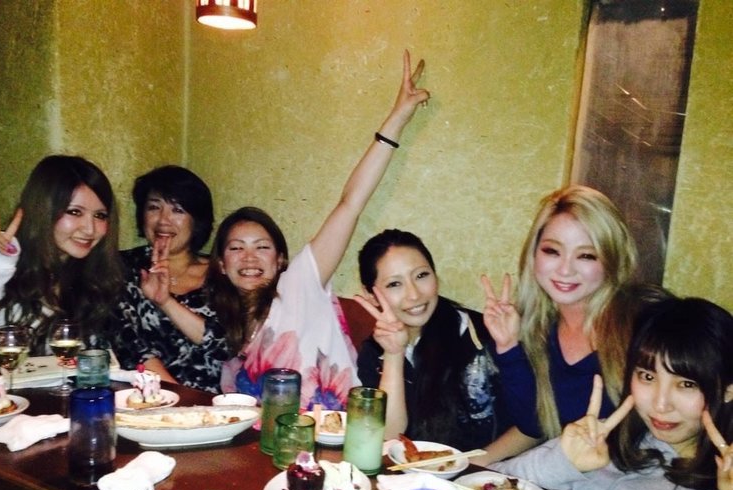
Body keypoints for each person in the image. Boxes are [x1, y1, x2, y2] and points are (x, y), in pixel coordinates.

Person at [206, 51, 431, 409]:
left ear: (281, 259)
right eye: (236, 248)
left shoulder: (298, 285)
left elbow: (350, 203)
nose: (249, 258)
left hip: (336, 433)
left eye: (262, 247)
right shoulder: (215, 322)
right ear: (220, 263)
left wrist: (397, 119)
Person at [491, 296, 733, 490]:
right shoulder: (609, 448)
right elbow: (485, 486)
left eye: (686, 384)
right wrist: (562, 461)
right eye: (647, 376)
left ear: (728, 390)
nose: (661, 404)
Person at [478, 185, 644, 463]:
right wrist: (508, 347)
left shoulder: (642, 324)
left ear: (612, 259)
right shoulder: (536, 329)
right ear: (534, 254)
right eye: (552, 251)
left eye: (586, 255)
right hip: (568, 474)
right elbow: (534, 426)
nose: (565, 269)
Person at [0, 155, 122, 384]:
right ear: (43, 210)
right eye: (74, 212)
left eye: (100, 215)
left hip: (41, 405)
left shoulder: (91, 281)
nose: (90, 229)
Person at [354, 229, 504, 451]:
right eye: (394, 284)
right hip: (414, 469)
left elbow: (534, 425)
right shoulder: (375, 353)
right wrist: (394, 354)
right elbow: (389, 436)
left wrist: (480, 461)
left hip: (490, 468)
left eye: (421, 275)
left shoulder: (483, 333)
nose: (414, 294)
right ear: (371, 296)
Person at [111, 165, 229, 391]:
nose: (163, 220)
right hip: (149, 399)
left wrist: (166, 302)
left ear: (197, 220)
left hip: (220, 402)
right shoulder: (122, 267)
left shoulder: (222, 272)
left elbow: (229, 346)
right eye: (154, 207)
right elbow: (130, 349)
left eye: (177, 210)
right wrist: (183, 402)